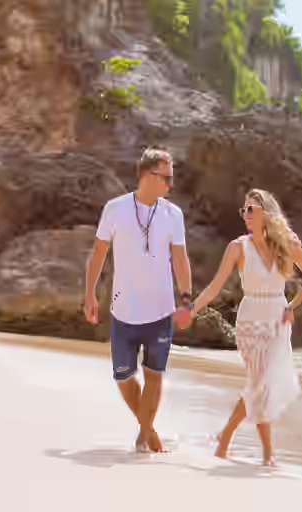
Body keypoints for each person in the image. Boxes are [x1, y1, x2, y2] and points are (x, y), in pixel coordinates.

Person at [189, 189, 302, 466]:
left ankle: (225, 438)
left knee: (260, 384)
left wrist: (291, 306)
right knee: (259, 383)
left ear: (266, 213)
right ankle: (267, 454)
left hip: (276, 319)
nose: (246, 215)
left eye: (251, 209)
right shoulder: (237, 247)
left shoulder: (285, 245)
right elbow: (215, 287)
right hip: (250, 319)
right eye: (244, 210)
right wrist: (191, 310)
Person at [83, 147, 194, 454]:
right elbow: (98, 255)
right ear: (147, 175)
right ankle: (151, 430)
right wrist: (90, 293)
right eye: (166, 178)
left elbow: (181, 260)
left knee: (155, 375)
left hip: (160, 310)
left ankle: (144, 437)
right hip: (122, 309)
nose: (170, 185)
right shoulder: (115, 209)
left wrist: (186, 299)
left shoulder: (173, 215)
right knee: (122, 377)